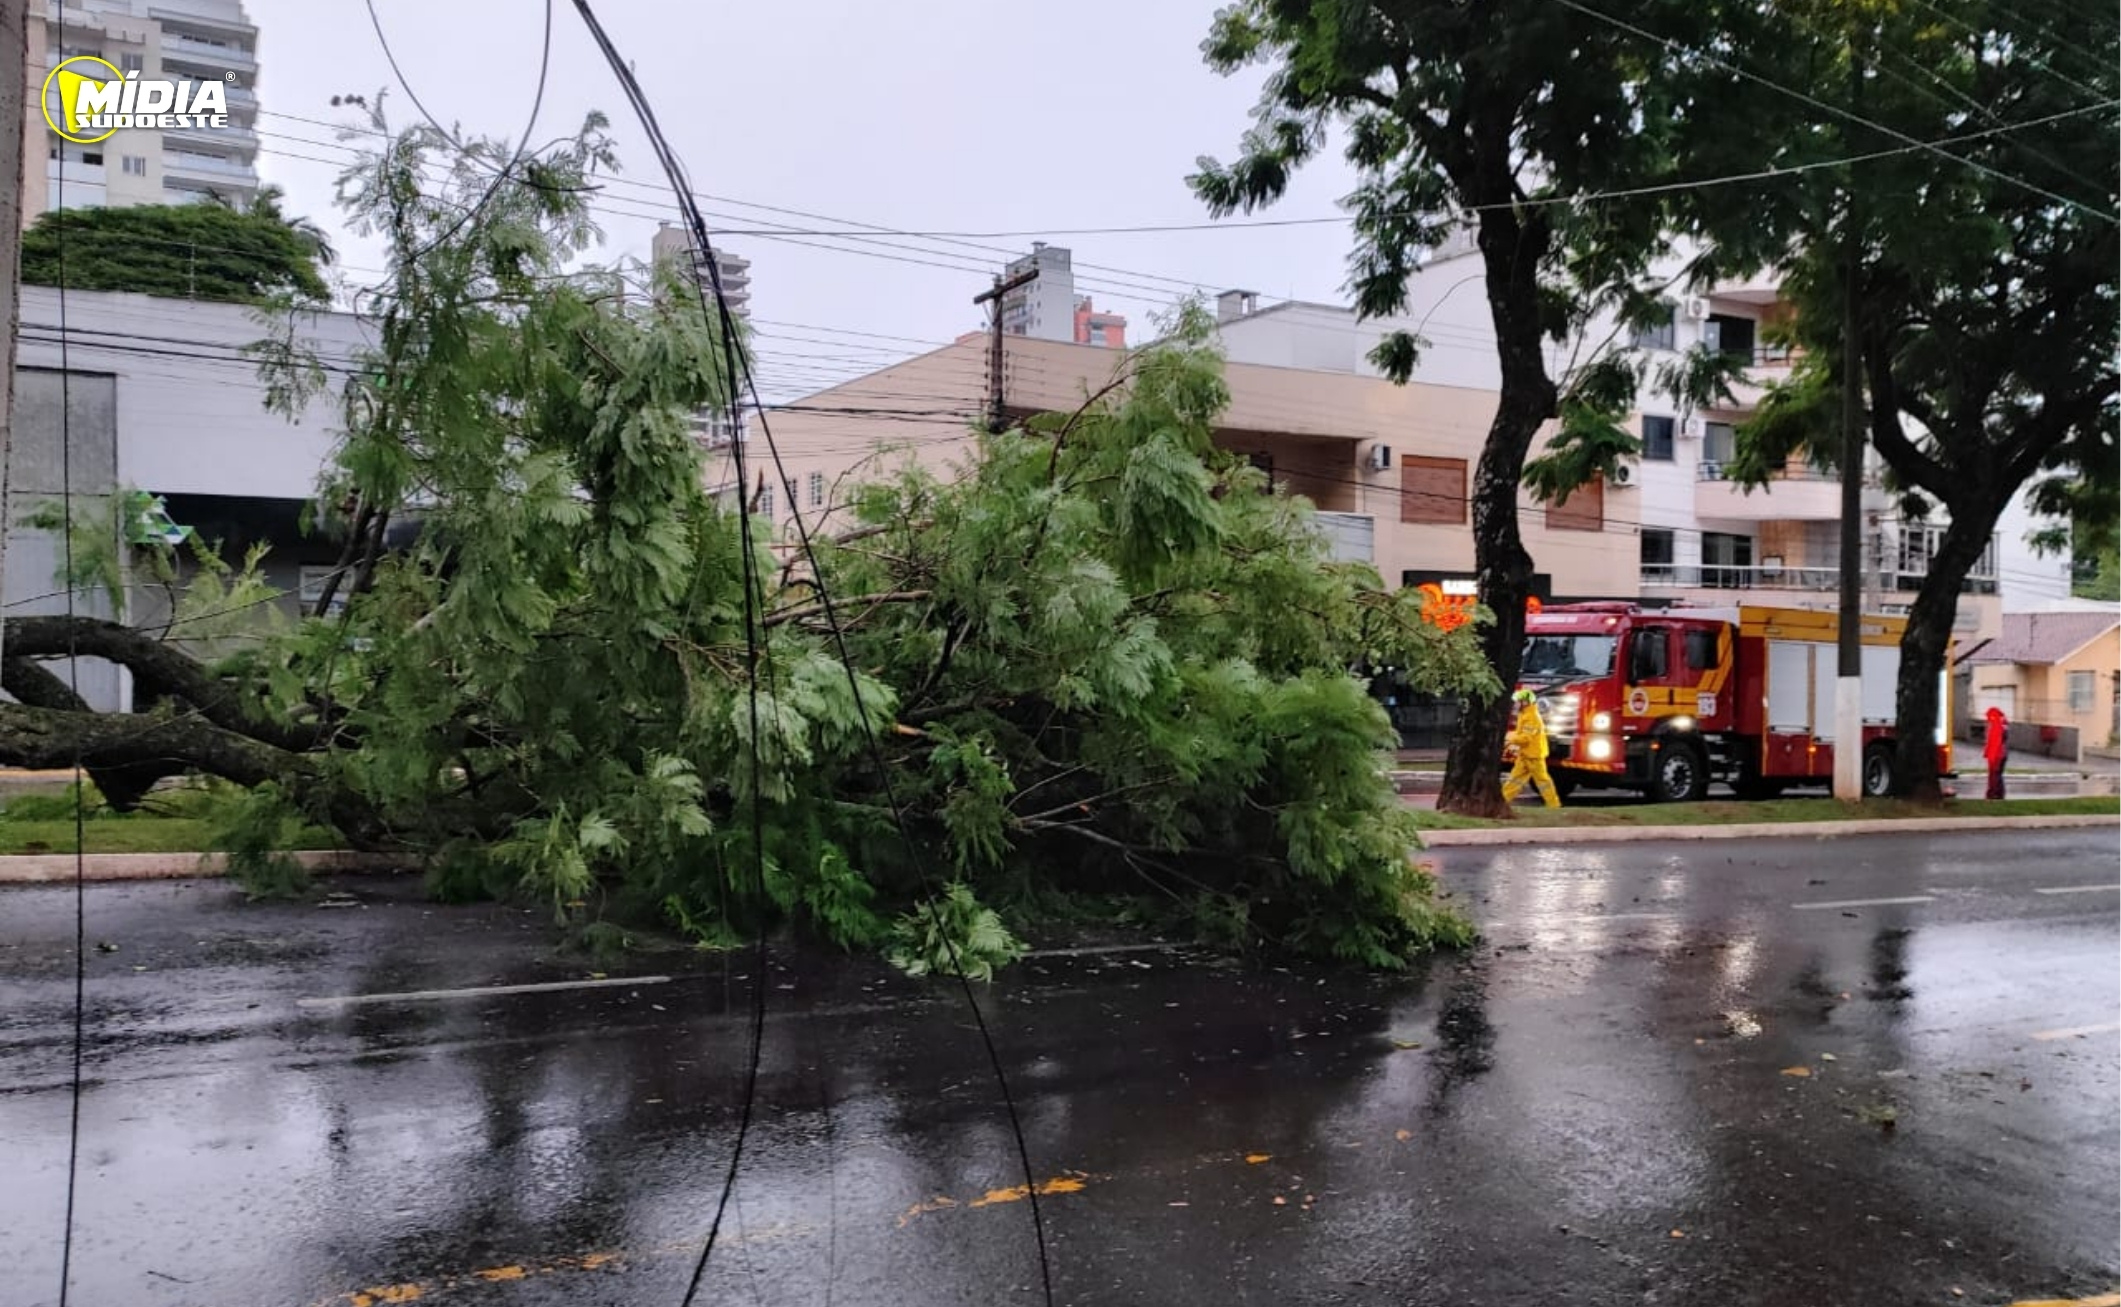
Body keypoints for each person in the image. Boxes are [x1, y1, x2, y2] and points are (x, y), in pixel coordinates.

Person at [1502, 688, 1561, 808]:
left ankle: (1554, 805)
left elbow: (1526, 738)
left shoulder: (1531, 716)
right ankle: (1502, 801)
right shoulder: (1525, 714)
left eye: (1519, 701)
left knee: (1542, 781)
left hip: (1534, 755)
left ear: (1525, 702)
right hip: (1526, 754)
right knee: (1515, 779)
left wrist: (1509, 740)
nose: (1516, 703)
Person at [1983, 706, 2010, 800]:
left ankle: (1993, 793)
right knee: (1998, 774)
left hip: (1996, 755)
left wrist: (1990, 755)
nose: (1987, 720)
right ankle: (1999, 793)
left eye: (1989, 718)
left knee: (1994, 775)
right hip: (2002, 754)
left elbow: (1994, 742)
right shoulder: (2003, 724)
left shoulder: (1996, 725)